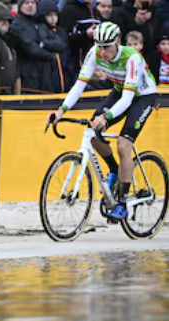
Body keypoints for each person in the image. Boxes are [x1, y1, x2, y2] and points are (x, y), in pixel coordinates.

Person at [46, 22, 157, 221]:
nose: (103, 51)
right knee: (92, 130)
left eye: (107, 46)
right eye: (99, 46)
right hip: (120, 91)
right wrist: (61, 111)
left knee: (123, 145)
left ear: (118, 42)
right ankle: (114, 169)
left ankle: (122, 201)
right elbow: (79, 85)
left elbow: (128, 100)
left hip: (142, 97)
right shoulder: (94, 53)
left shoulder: (131, 58)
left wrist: (106, 116)